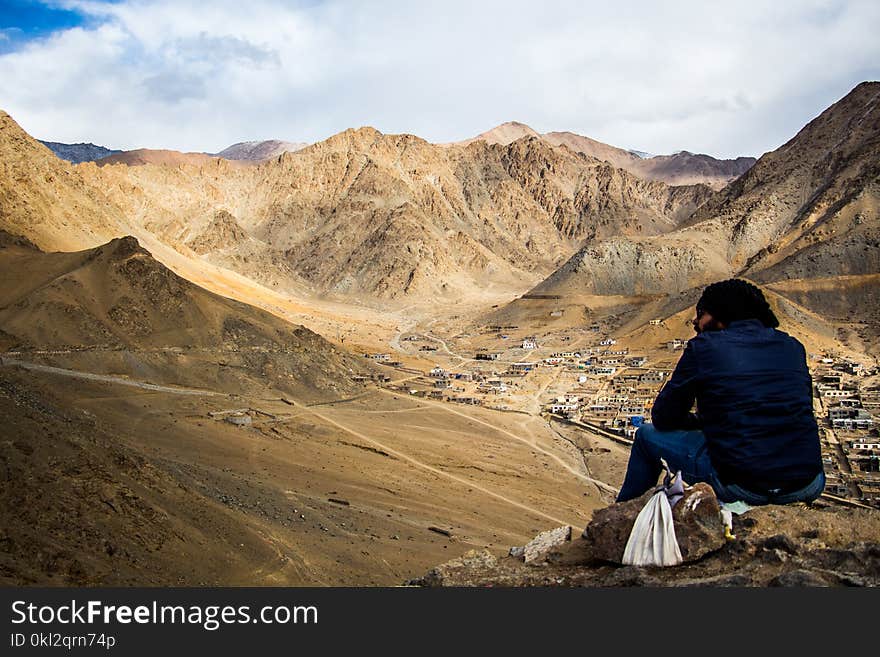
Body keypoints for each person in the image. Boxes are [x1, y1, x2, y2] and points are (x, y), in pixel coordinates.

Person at [616, 279, 825, 505]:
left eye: (702, 313)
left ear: (721, 316)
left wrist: (702, 422)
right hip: (808, 482)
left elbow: (664, 417)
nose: (695, 321)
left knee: (646, 436)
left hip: (742, 484)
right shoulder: (793, 347)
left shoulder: (704, 347)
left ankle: (623, 515)